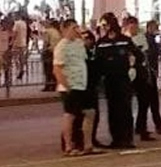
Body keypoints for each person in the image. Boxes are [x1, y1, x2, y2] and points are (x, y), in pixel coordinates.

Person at [96, 14, 136, 149]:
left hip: (123, 79)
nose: (104, 27)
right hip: (109, 80)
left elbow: (135, 55)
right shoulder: (101, 43)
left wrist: (132, 67)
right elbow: (98, 62)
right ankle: (116, 139)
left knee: (125, 109)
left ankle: (127, 138)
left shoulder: (124, 40)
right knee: (112, 110)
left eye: (106, 24)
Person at [53, 19, 91, 156]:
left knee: (87, 113)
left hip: (81, 84)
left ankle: (86, 144)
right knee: (70, 116)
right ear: (65, 29)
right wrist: (66, 86)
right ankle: (68, 146)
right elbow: (57, 69)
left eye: (77, 27)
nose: (77, 30)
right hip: (70, 85)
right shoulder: (62, 46)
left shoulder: (79, 44)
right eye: (74, 28)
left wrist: (83, 37)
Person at [133, 19, 161, 138]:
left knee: (147, 102)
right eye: (154, 27)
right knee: (150, 101)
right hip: (148, 73)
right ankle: (153, 126)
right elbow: (150, 55)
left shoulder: (150, 39)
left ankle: (142, 126)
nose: (156, 29)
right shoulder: (146, 39)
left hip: (149, 72)